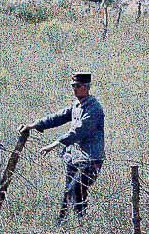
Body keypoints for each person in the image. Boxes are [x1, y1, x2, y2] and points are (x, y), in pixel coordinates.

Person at [22, 72, 105, 223]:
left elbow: (79, 130)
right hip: (75, 158)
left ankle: (77, 223)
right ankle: (65, 223)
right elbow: (58, 116)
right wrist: (35, 124)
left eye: (78, 86)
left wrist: (56, 143)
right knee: (70, 191)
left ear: (87, 87)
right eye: (73, 86)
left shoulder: (94, 109)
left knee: (76, 190)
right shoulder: (76, 105)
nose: (74, 89)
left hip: (91, 159)